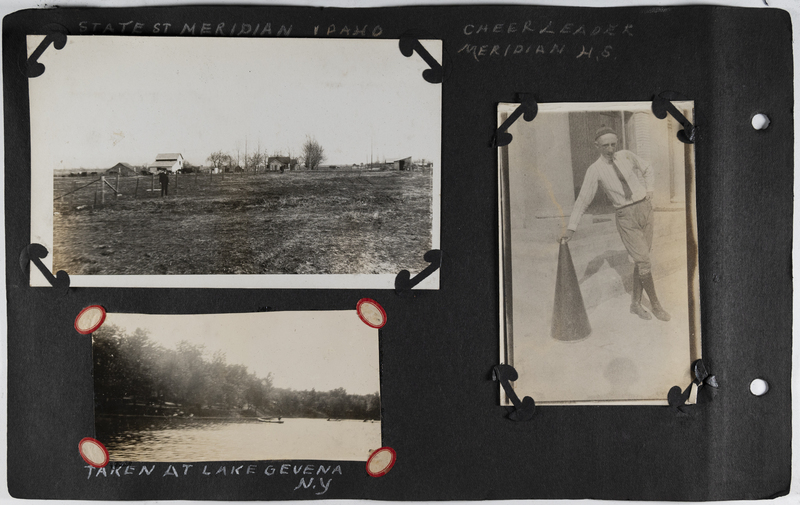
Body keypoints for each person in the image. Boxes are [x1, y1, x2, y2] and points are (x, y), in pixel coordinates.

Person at [561, 126, 670, 322]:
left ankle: (635, 304)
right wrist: (571, 227)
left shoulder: (626, 156)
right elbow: (583, 200)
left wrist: (650, 189)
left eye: (613, 144)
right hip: (625, 215)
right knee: (644, 260)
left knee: (641, 259)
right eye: (605, 145)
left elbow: (646, 167)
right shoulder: (594, 170)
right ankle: (655, 305)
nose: (610, 149)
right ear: (597, 146)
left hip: (645, 210)